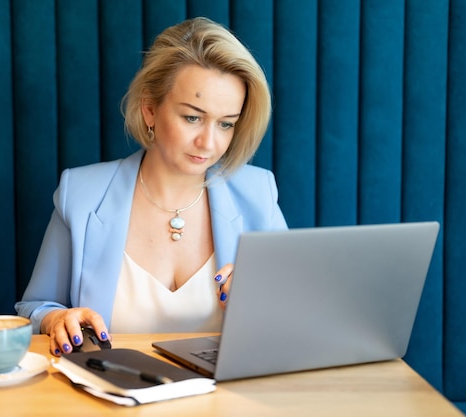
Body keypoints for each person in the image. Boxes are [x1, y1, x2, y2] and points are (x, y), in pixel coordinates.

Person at [15, 16, 288, 357]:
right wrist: (57, 319)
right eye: (192, 117)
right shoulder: (82, 193)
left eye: (226, 124)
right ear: (149, 109)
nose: (208, 142)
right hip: (115, 402)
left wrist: (264, 304)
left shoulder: (259, 193)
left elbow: (296, 314)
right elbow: (35, 305)